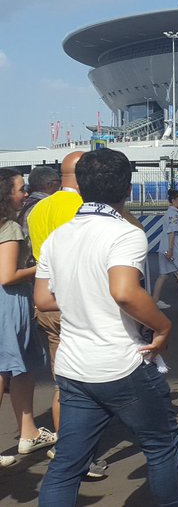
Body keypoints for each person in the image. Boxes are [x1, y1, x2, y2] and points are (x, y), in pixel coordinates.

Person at [34, 148, 178, 505]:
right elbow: (123, 292)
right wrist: (163, 327)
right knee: (162, 446)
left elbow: (43, 299)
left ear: (79, 185)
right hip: (122, 362)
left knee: (67, 465)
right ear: (127, 188)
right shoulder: (125, 233)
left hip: (74, 366)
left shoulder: (59, 236)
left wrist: (83, 297)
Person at [25, 151, 108, 480]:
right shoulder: (82, 208)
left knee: (65, 380)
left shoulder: (39, 207)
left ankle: (67, 446)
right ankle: (78, 453)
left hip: (45, 300)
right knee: (89, 382)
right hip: (79, 303)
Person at [1, 168, 54, 467]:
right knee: (8, 368)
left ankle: (29, 431)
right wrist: (41, 266)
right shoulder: (9, 228)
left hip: (8, 302)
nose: (25, 192)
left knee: (21, 368)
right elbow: (8, 276)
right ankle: (28, 432)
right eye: (20, 188)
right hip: (8, 303)